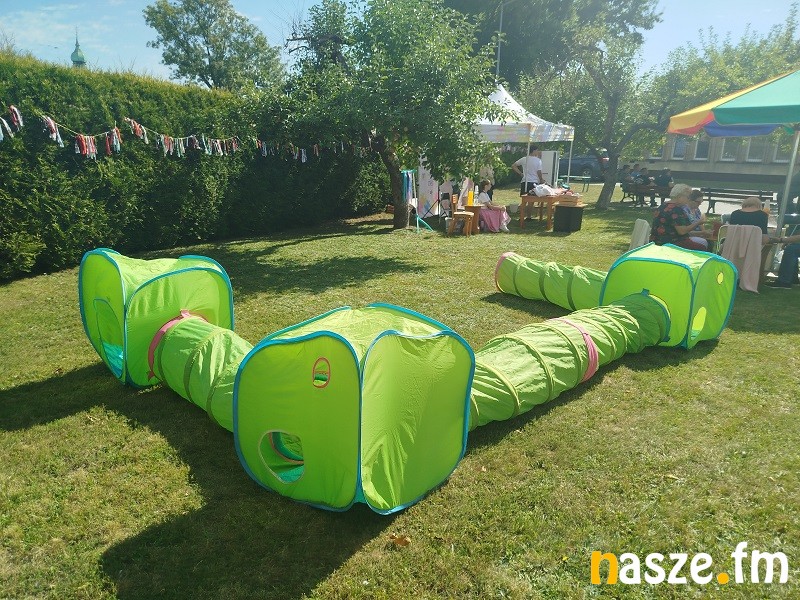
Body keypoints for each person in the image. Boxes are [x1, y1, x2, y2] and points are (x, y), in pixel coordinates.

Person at [650, 183, 708, 250]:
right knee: (702, 247)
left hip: (657, 241)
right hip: (671, 243)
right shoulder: (676, 210)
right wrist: (698, 222)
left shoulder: (663, 206)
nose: (688, 200)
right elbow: (682, 231)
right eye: (688, 197)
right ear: (680, 196)